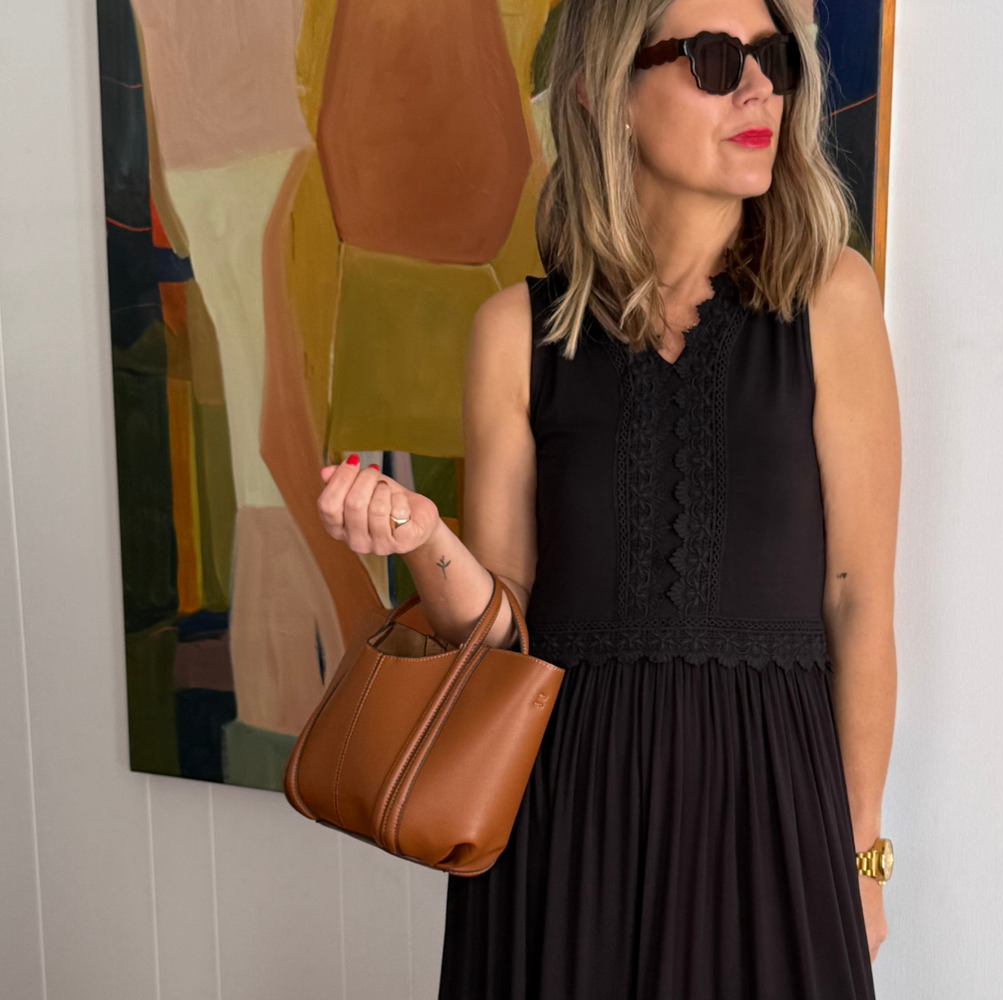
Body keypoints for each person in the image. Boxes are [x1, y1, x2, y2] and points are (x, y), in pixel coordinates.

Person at [315, 0, 898, 994]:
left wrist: (862, 856)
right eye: (714, 60)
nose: (761, 88)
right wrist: (420, 535)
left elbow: (858, 601)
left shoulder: (832, 300)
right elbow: (503, 625)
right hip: (565, 823)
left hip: (771, 821)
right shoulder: (516, 333)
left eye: (772, 57)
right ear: (604, 93)